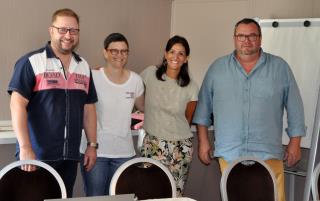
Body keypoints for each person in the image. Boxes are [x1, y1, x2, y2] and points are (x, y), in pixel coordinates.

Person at [192, 18, 306, 201]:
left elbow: (295, 107)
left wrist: (295, 143)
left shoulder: (280, 67)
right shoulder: (217, 69)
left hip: (268, 153)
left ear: (260, 38)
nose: (246, 40)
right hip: (230, 153)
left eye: (252, 35)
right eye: (241, 36)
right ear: (234, 38)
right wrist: (203, 141)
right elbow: (203, 109)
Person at [7, 8, 98, 197]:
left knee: (63, 197)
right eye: (62, 29)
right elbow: (17, 105)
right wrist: (25, 147)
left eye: (73, 30)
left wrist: (92, 144)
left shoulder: (83, 66)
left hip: (69, 158)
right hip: (36, 156)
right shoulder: (31, 62)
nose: (68, 35)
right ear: (51, 30)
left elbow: (88, 108)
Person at [79, 33, 145, 196]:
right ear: (105, 53)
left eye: (124, 51)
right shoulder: (92, 76)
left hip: (124, 153)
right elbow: (83, 110)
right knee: (96, 198)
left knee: (120, 198)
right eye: (114, 51)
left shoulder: (136, 81)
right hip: (96, 152)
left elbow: (143, 108)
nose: (119, 55)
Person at [140, 35, 198, 197]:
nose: (176, 57)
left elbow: (188, 119)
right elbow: (129, 85)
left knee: (173, 194)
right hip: (152, 144)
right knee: (149, 192)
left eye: (181, 53)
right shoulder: (149, 74)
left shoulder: (191, 86)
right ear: (165, 54)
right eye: (172, 51)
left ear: (186, 59)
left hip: (180, 148)